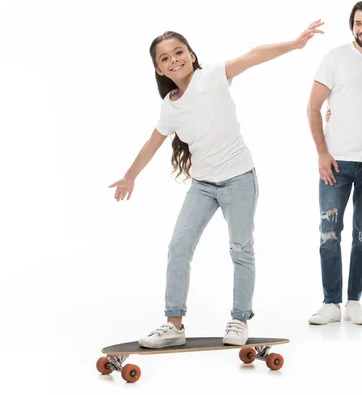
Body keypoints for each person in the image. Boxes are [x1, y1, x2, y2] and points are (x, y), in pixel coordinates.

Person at [109, 21, 324, 348]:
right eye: (165, 58)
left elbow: (252, 56)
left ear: (192, 54)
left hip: (239, 179)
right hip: (203, 186)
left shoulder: (212, 75)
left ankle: (239, 320)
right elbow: (152, 143)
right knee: (179, 247)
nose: (174, 60)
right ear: (159, 68)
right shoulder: (170, 107)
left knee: (241, 249)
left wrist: (294, 44)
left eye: (179, 52)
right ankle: (174, 324)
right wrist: (130, 175)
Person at [307, 0, 362, 326]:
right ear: (352, 25)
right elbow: (313, 107)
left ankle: (354, 301)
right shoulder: (336, 58)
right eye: (358, 23)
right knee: (329, 233)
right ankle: (330, 303)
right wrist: (322, 152)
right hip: (337, 162)